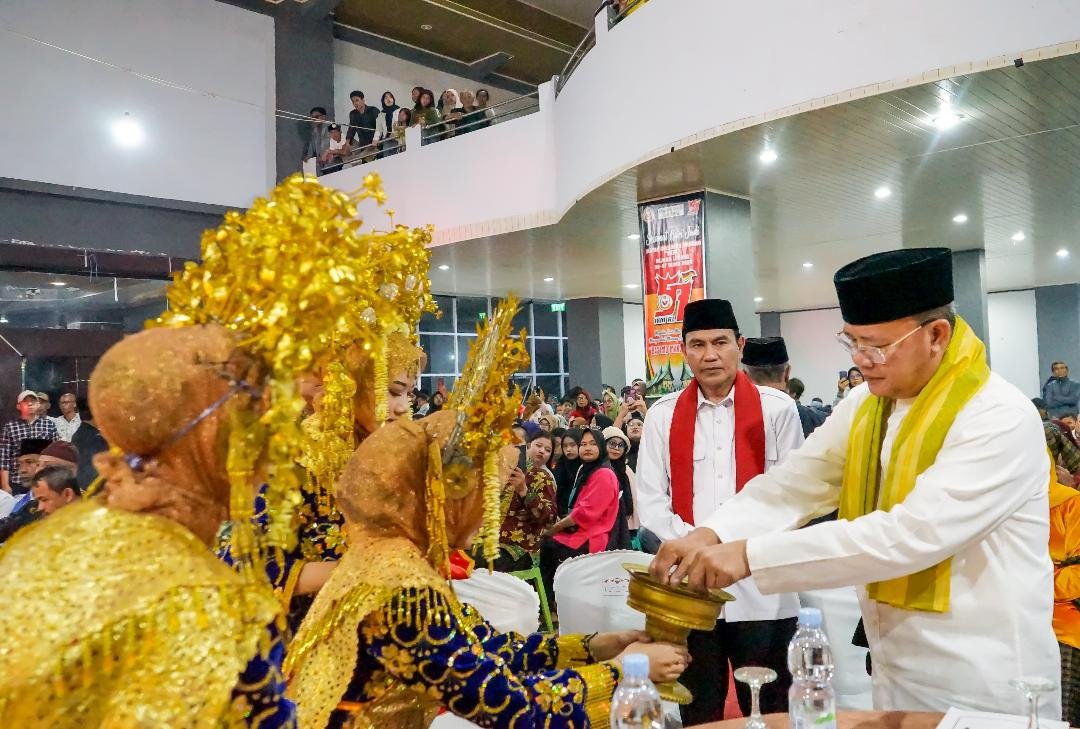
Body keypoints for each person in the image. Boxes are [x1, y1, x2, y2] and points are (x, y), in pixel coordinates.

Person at [650, 247, 1062, 716]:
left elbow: (909, 536)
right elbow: (797, 482)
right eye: (852, 343)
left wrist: (748, 555)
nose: (862, 361)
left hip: (986, 675)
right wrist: (713, 532)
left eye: (877, 345)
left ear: (936, 335)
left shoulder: (996, 416)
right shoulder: (868, 406)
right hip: (895, 665)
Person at [285, 301, 690, 729]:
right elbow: (510, 706)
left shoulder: (401, 564)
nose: (485, 520)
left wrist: (596, 645)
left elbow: (482, 646)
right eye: (484, 500)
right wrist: (625, 670)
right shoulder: (397, 583)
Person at [634, 300, 805, 722]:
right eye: (697, 344)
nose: (709, 354)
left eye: (720, 342)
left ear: (739, 346)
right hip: (689, 591)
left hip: (762, 584)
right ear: (685, 351)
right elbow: (651, 500)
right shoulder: (663, 414)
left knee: (768, 706)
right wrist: (696, 550)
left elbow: (791, 496)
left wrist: (725, 548)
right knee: (698, 705)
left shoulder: (776, 409)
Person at [539, 428, 620, 605]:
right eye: (583, 444)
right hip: (580, 532)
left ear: (601, 447)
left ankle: (554, 606)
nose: (587, 448)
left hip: (590, 537)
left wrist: (553, 529)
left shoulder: (604, 474)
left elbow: (584, 514)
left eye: (592, 444)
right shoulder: (588, 470)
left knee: (547, 546)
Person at [489, 431, 558, 572]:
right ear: (527, 446)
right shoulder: (501, 472)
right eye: (538, 445)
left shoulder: (542, 477)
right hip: (490, 540)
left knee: (479, 561)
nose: (542, 451)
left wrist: (524, 491)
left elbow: (550, 519)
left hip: (518, 549)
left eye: (547, 450)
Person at [1050, 476, 1080, 726]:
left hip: (1063, 623)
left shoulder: (1071, 505)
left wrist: (1036, 584)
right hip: (1003, 618)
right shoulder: (995, 506)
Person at [0, 390, 58, 494]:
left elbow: (54, 455)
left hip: (43, 480)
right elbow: (4, 458)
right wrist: (5, 485)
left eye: (33, 401)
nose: (30, 404)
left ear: (38, 405)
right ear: (19, 406)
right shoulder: (10, 427)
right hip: (18, 481)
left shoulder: (50, 425)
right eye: (26, 402)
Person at [603, 425, 640, 546]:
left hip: (625, 526)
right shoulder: (593, 467)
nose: (616, 448)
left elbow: (633, 502)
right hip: (600, 527)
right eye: (612, 444)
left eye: (621, 445)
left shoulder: (627, 471)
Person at [552, 427, 582, 516]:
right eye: (565, 446)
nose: (568, 449)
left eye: (572, 445)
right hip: (559, 515)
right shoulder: (561, 464)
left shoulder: (586, 467)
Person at [303, 106, 331, 173]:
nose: (314, 120)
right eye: (312, 118)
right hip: (322, 165)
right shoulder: (314, 132)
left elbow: (336, 144)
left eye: (316, 117)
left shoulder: (331, 127)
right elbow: (312, 148)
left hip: (332, 161)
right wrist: (308, 157)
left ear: (323, 117)